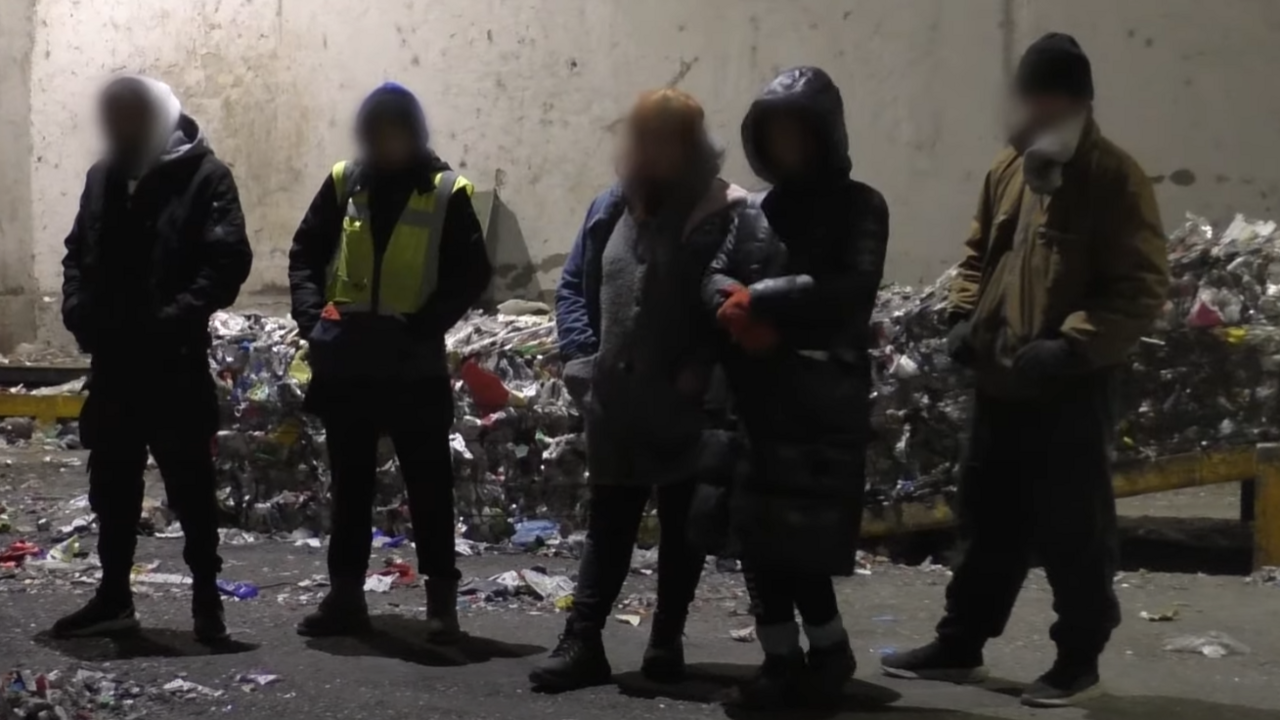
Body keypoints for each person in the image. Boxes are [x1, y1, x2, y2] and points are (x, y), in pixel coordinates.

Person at [879, 34, 1169, 708]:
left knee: (1074, 528)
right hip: (1002, 380)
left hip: (1070, 385)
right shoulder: (1009, 165)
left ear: (1072, 101)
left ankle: (1077, 660)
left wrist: (1072, 345)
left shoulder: (1111, 177)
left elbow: (1140, 285)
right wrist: (962, 316)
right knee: (987, 520)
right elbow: (980, 250)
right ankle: (961, 645)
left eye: (1041, 99)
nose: (1028, 112)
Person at [529, 89, 748, 691]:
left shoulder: (719, 211)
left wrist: (703, 364)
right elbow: (574, 285)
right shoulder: (611, 207)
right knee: (611, 524)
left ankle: (665, 643)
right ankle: (583, 642)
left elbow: (731, 295)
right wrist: (581, 355)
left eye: (662, 138)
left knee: (681, 528)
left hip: (685, 406)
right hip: (616, 400)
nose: (646, 150)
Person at [701, 67, 889, 709]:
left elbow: (850, 288)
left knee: (802, 545)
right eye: (772, 133)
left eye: (796, 131)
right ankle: (782, 659)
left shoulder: (862, 205)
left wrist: (763, 307)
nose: (784, 146)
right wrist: (728, 303)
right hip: (754, 405)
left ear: (822, 133)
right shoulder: (754, 209)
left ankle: (828, 653)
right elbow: (720, 270)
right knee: (759, 544)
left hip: (816, 403)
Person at [287, 83, 492, 642]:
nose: (384, 142)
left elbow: (470, 275)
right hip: (348, 360)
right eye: (375, 132)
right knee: (350, 488)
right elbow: (305, 252)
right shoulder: (343, 182)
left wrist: (420, 326)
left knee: (429, 487)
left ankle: (441, 609)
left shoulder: (449, 192)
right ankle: (346, 599)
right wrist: (313, 322)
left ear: (414, 132)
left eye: (393, 131)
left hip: (411, 362)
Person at [54, 76, 253, 642]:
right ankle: (114, 596)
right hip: (115, 363)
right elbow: (78, 250)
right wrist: (76, 308)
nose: (122, 129)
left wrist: (171, 319)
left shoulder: (206, 177)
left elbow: (226, 262)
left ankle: (206, 604)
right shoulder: (104, 177)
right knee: (113, 484)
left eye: (133, 117)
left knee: (189, 483)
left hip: (172, 360)